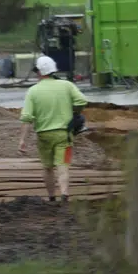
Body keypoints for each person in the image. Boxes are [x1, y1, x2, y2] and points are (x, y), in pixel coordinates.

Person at [18, 54, 87, 203]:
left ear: (39, 72)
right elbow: (82, 100)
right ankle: (64, 195)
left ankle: (51, 197)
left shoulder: (33, 91)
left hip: (43, 136)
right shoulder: (66, 85)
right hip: (64, 135)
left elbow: (27, 118)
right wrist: (76, 112)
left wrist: (22, 140)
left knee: (47, 167)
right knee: (63, 166)